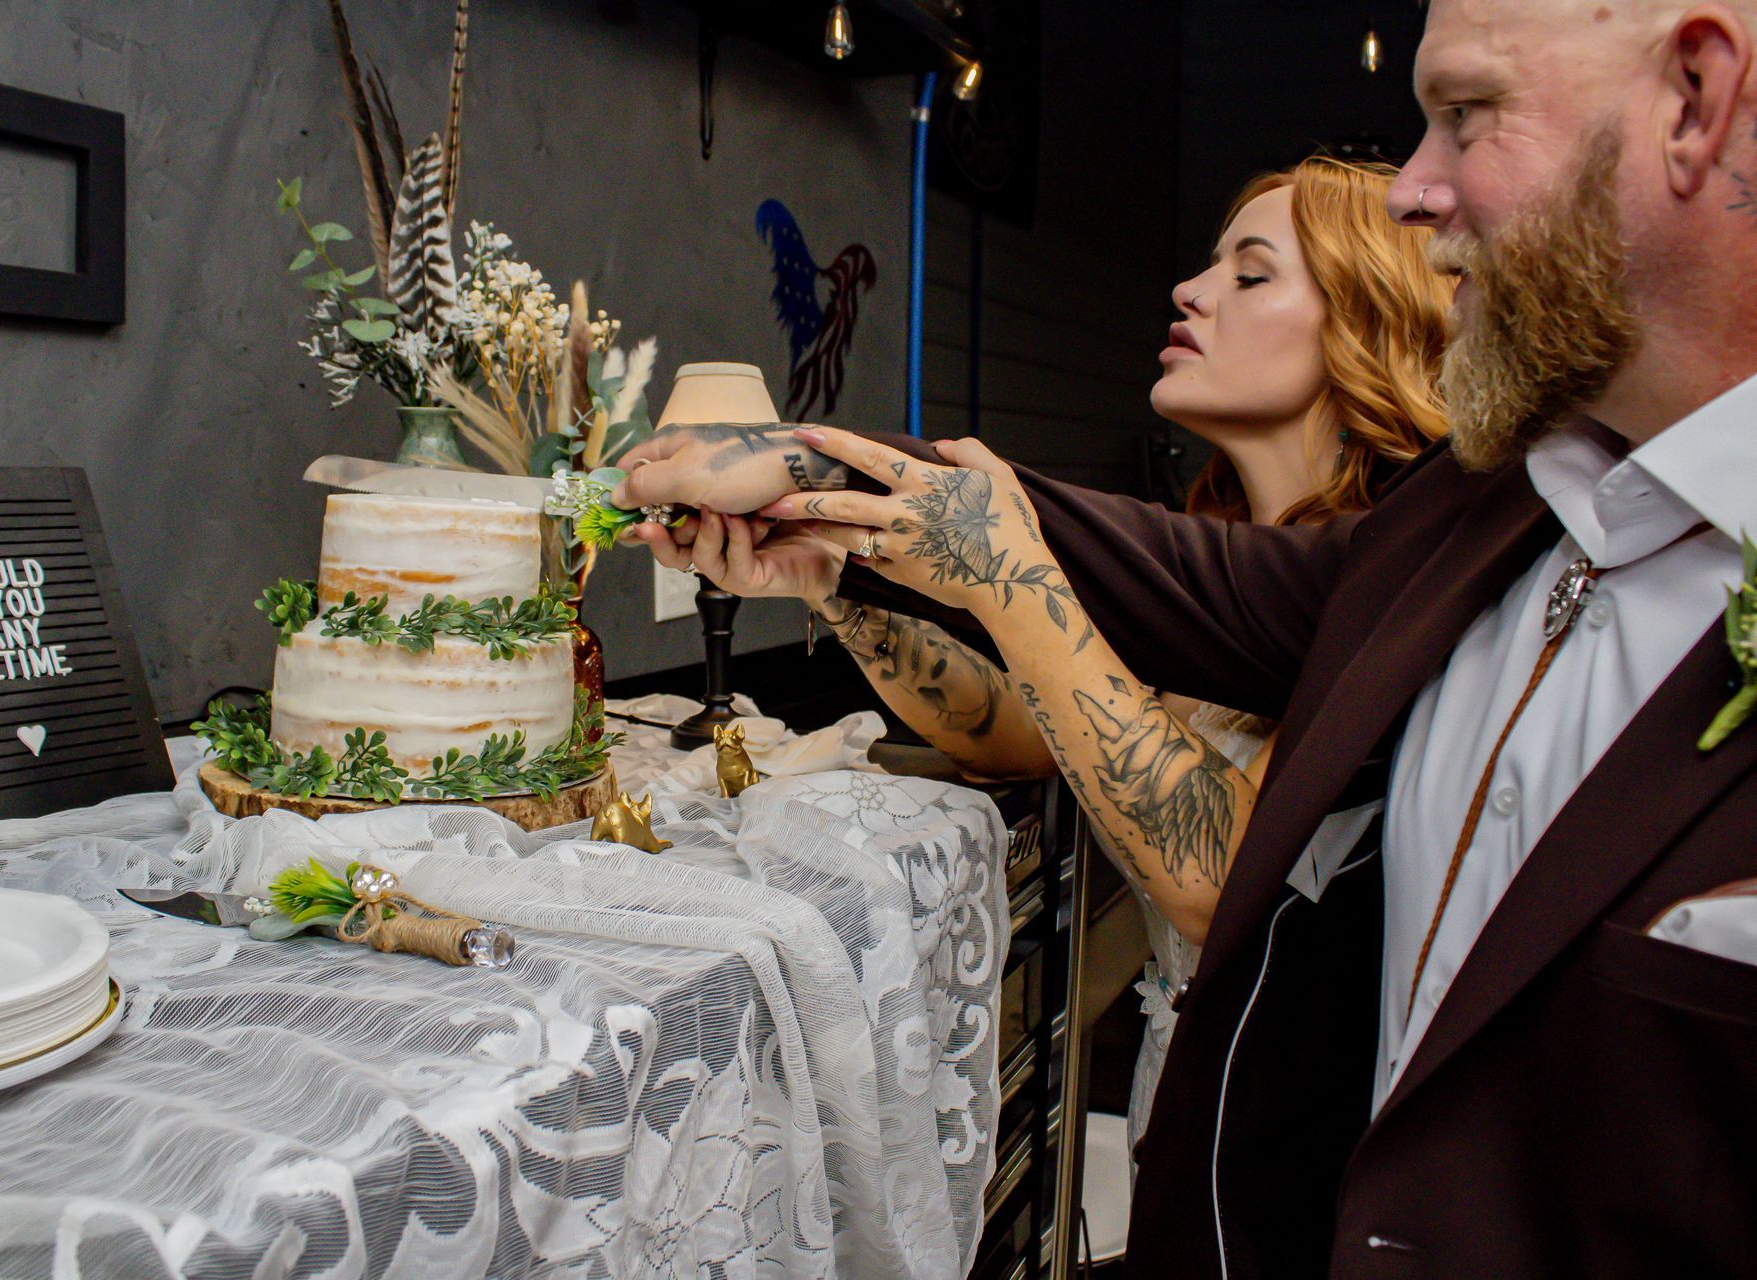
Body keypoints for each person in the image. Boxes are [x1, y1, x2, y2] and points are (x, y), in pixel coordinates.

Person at [612, 0, 1757, 1271]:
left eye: (1468, 115)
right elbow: (1025, 698)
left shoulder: (1461, 502)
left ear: (1698, 99)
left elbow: (1214, 858)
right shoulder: (1477, 519)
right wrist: (825, 542)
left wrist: (978, 562)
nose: (1418, 189)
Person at [629, 156, 1451, 1174]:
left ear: (1371, 324)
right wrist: (829, 579)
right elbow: (1023, 731)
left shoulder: (1394, 580)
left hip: (1298, 1126)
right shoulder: (1216, 556)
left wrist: (1010, 579)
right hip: (1182, 1076)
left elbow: (1224, 876)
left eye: (1250, 272)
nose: (1190, 290)